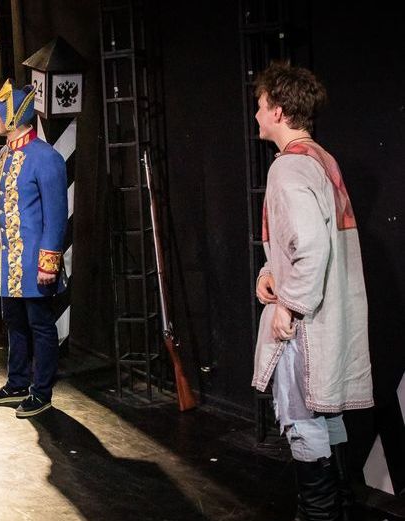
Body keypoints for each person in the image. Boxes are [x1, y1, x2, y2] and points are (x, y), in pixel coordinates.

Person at [252, 61, 373, 520]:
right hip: (329, 319)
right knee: (326, 412)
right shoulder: (321, 159)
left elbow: (312, 245)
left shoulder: (288, 168)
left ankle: (320, 514)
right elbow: (303, 238)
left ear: (279, 111)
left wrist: (289, 304)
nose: (257, 114)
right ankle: (337, 508)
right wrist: (270, 271)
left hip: (307, 323)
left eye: (261, 106)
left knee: (303, 419)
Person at [0, 80, 68, 418]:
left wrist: (49, 263)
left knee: (40, 324)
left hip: (34, 260)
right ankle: (17, 382)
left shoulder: (46, 157)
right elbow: (0, 206)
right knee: (14, 322)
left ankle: (41, 391)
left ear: (13, 116)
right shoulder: (4, 154)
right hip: (9, 261)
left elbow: (56, 215)